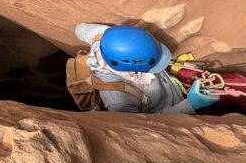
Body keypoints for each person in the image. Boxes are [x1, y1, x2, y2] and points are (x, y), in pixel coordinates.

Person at [73, 22, 220, 113]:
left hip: (171, 86)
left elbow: (79, 29)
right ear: (129, 68)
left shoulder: (106, 37)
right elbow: (147, 124)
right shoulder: (118, 100)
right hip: (173, 108)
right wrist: (190, 105)